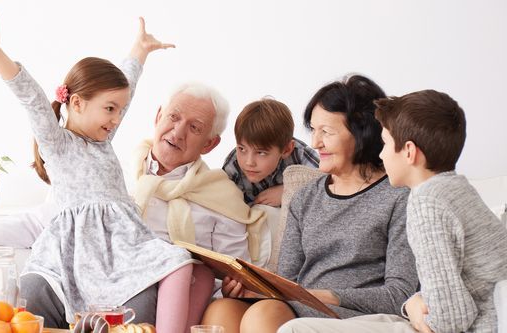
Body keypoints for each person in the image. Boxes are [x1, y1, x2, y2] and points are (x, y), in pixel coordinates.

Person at [0, 15, 210, 333]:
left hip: (122, 249)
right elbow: (31, 98)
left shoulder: (104, 143)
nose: (117, 118)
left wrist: (140, 50)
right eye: (110, 109)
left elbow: (126, 86)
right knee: (31, 293)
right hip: (74, 253)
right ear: (76, 103)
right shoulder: (57, 143)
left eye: (120, 110)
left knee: (180, 260)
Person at [200, 74, 419, 333]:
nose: (315, 143)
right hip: (301, 304)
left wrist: (323, 295)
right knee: (221, 310)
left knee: (264, 315)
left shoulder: (399, 197)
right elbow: (286, 281)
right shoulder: (306, 197)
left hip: (355, 314)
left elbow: (399, 294)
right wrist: (251, 290)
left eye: (326, 132)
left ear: (362, 133)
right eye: (313, 130)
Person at [277, 90, 507, 333]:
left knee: (294, 329)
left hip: (475, 327)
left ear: (409, 151)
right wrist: (415, 302)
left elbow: (452, 316)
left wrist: (412, 306)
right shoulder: (455, 189)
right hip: (475, 320)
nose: (380, 153)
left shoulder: (426, 204)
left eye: (385, 144)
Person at [221, 98, 319, 207]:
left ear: (286, 149)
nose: (249, 162)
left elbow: (327, 181)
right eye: (242, 149)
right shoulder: (232, 167)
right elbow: (224, 207)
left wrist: (288, 192)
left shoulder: (299, 154)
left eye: (261, 153)